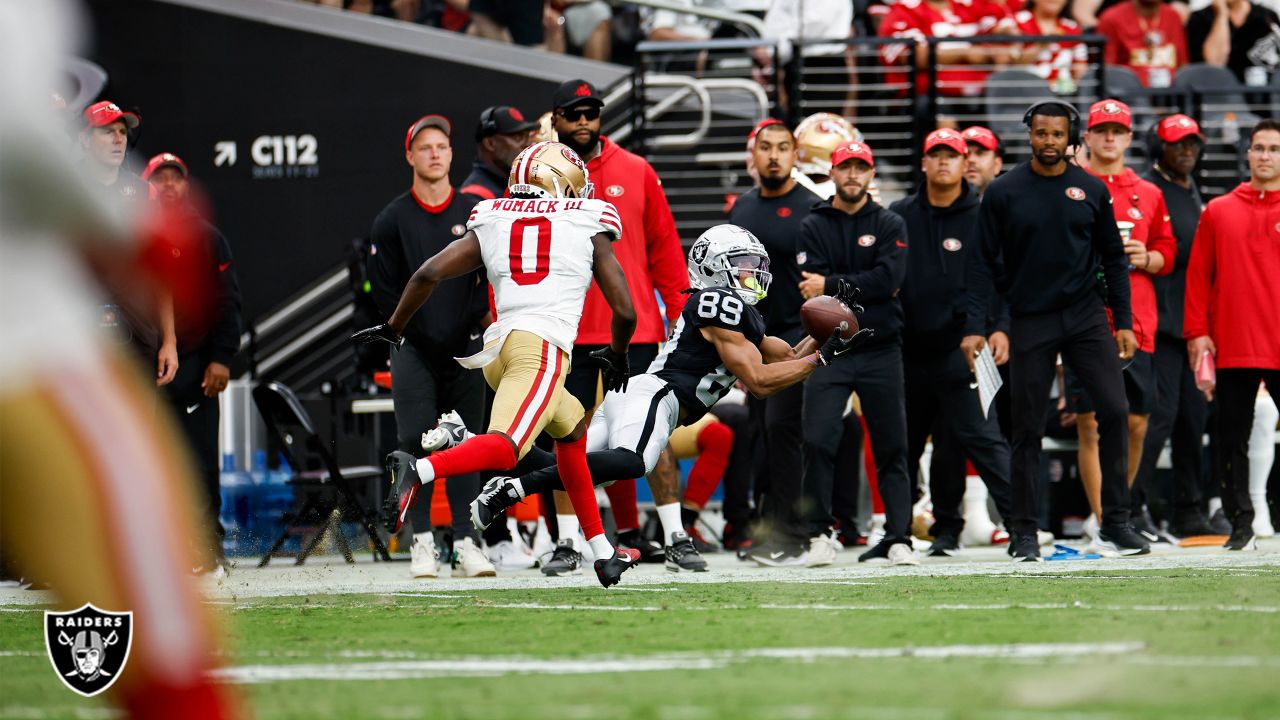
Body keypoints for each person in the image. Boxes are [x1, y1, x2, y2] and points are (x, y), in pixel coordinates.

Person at [0, 5, 242, 715]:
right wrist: (133, 232)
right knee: (160, 629)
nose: (115, 144)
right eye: (105, 133)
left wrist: (168, 331)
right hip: (32, 353)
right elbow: (19, 135)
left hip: (104, 340)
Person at [468, 225, 871, 569]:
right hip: (657, 395)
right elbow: (761, 381)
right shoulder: (718, 302)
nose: (753, 273)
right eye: (743, 264)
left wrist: (823, 337)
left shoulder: (735, 310)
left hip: (640, 397)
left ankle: (466, 443)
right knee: (633, 462)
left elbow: (782, 357)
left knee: (582, 468)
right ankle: (511, 490)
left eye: (754, 265)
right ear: (714, 267)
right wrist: (820, 359)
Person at [355, 140, 642, 587]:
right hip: (541, 350)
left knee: (571, 433)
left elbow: (426, 274)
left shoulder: (492, 216)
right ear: (562, 183)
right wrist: (620, 354)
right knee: (507, 447)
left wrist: (393, 326)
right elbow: (625, 311)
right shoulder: (589, 219)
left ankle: (603, 553)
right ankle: (423, 468)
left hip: (497, 349)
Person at [963, 100, 1146, 561]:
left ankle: (1116, 523)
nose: (1049, 141)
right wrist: (975, 327)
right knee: (1025, 427)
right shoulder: (1004, 192)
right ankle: (1024, 532)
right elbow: (981, 264)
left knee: (1114, 408)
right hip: (1030, 318)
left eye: (1057, 134)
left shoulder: (1090, 189)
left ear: (1071, 138)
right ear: (1030, 135)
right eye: (1041, 133)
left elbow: (1113, 260)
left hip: (1086, 317)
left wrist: (1121, 321)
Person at [538, 78, 688, 570]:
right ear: (555, 118)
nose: (584, 121)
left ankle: (676, 535)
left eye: (591, 112)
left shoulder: (637, 170)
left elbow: (665, 250)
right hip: (570, 330)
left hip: (637, 329)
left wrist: (681, 314)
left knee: (651, 433)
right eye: (573, 113)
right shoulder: (539, 175)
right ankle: (566, 541)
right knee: (570, 437)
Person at [366, 114, 494, 579]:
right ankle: (421, 542)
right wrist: (408, 338)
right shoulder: (391, 220)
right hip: (412, 348)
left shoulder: (476, 214)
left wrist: (484, 333)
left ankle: (466, 541)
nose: (435, 153)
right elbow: (382, 295)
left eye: (442, 145)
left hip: (467, 348)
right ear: (410, 156)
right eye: (425, 147)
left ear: (452, 154)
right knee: (415, 441)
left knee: (468, 445)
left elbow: (484, 285)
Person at [891, 129, 1016, 557]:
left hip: (966, 348)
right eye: (935, 155)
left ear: (967, 165)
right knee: (903, 443)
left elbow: (1007, 280)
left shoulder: (987, 215)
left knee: (978, 438)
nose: (944, 162)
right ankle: (897, 533)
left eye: (953, 155)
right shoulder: (897, 215)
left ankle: (1024, 526)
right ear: (923, 163)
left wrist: (1002, 328)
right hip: (908, 348)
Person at [796, 140, 917, 566]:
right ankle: (819, 534)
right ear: (832, 173)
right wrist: (848, 284)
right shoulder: (814, 223)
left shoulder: (890, 222)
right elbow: (818, 284)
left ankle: (899, 535)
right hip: (830, 350)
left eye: (860, 167)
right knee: (817, 440)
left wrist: (830, 284)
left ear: (870, 174)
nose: (852, 175)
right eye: (844, 167)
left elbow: (888, 280)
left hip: (881, 346)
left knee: (892, 445)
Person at [1070, 99, 1176, 549]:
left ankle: (1121, 509)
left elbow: (1168, 249)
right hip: (1084, 317)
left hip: (1139, 319)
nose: (1110, 138)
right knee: (1091, 421)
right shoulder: (1071, 186)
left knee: (1136, 422)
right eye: (1101, 130)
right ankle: (1101, 521)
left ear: (1130, 138)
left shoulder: (1148, 191)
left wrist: (1148, 257)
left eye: (1118, 131)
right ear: (1088, 137)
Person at [143, 152, 243, 574]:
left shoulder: (207, 238)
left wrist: (221, 358)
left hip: (195, 363)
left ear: (186, 186)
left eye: (175, 178)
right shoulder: (132, 234)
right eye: (159, 179)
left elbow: (226, 301)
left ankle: (206, 546)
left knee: (199, 460)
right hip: (141, 364)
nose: (168, 186)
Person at [728, 120, 824, 560]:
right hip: (754, 339)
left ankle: (795, 534)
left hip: (797, 338)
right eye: (765, 147)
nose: (773, 156)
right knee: (762, 436)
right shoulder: (742, 209)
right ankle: (770, 530)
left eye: (782, 148)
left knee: (784, 432)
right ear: (754, 155)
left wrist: (815, 339)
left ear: (796, 155)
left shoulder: (813, 207)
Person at [1184, 119, 1280, 551]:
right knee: (1230, 439)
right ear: (1247, 154)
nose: (1265, 156)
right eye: (1259, 148)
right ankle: (1240, 523)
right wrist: (1197, 333)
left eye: (1274, 149)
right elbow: (1198, 276)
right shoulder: (1219, 210)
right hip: (1234, 342)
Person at [1135, 114, 1220, 537]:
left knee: (1192, 417)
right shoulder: (1150, 192)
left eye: (1193, 144)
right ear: (1157, 149)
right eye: (1176, 144)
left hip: (1193, 321)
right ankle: (1132, 507)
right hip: (1163, 320)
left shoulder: (1191, 191)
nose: (1187, 151)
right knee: (1160, 415)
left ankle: (1188, 510)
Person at [80, 101, 179, 389]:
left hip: (137, 337)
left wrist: (169, 341)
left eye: (122, 131)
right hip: (82, 338)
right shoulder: (66, 188)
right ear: (85, 139)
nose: (118, 138)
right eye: (107, 131)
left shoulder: (144, 192)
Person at [1097, 0, 1189, 88]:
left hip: (1172, 94)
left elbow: (1182, 65)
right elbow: (1107, 71)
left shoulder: (1173, 16)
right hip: (1129, 94)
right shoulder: (1111, 17)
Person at [1186, 0, 1280, 85]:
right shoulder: (1200, 19)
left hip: (1268, 94)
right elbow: (1214, 65)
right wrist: (1221, 15)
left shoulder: (1267, 16)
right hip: (1223, 95)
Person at [460, 105, 537, 200]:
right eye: (518, 137)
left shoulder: (519, 186)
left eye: (527, 136)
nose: (528, 144)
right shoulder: (474, 197)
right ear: (490, 143)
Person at [1014, 0, 1087, 92]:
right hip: (1023, 91)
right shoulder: (1016, 22)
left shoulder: (1072, 28)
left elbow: (1080, 70)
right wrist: (1041, 45)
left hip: (1063, 95)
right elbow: (1009, 65)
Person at [962, 126, 1005, 197]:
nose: (971, 160)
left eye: (980, 153)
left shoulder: (1012, 204)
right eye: (965, 154)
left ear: (997, 164)